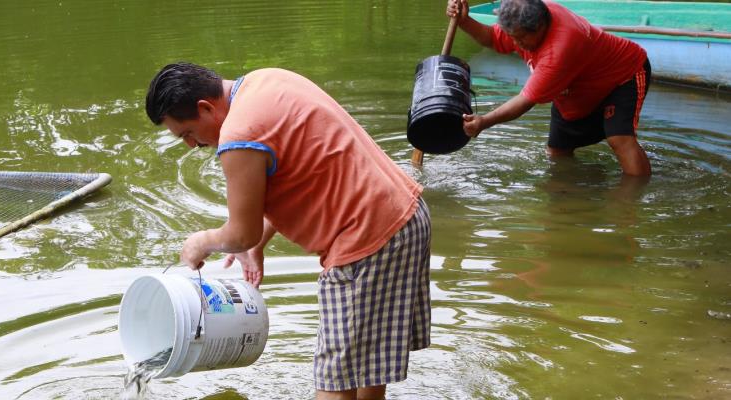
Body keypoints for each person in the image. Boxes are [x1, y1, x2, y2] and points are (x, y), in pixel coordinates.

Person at [145, 63, 432, 400]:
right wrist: (258, 242)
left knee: (335, 383)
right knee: (365, 371)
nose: (192, 145)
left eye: (187, 134)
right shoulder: (265, 80)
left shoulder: (238, 135)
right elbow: (301, 173)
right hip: (405, 218)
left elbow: (241, 233)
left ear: (205, 108)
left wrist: (201, 242)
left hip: (367, 241)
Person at [449, 0, 653, 176]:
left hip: (621, 77)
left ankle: (635, 199)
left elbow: (525, 101)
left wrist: (484, 121)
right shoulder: (523, 22)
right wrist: (464, 21)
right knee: (557, 153)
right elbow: (492, 38)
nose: (516, 44)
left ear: (539, 26)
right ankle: (574, 192)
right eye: (512, 37)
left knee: (619, 138)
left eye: (520, 39)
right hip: (575, 90)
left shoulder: (560, 48)